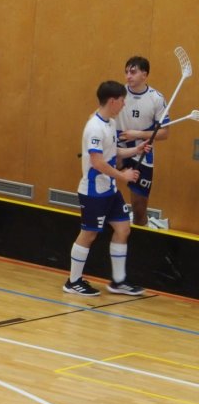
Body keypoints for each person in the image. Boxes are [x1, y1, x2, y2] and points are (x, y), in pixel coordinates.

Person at [64, 80, 147, 297]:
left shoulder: (110, 122)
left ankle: (118, 282)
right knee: (89, 234)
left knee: (123, 229)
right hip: (93, 191)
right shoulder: (95, 127)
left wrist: (136, 150)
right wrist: (123, 176)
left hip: (109, 190)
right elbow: (98, 162)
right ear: (112, 101)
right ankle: (73, 281)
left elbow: (113, 152)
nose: (124, 105)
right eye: (122, 101)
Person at [117, 55, 170, 227]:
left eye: (133, 72)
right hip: (117, 148)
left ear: (144, 75)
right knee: (100, 190)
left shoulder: (157, 98)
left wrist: (138, 134)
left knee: (139, 209)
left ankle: (140, 231)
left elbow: (164, 133)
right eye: (126, 72)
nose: (128, 76)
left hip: (142, 153)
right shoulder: (118, 94)